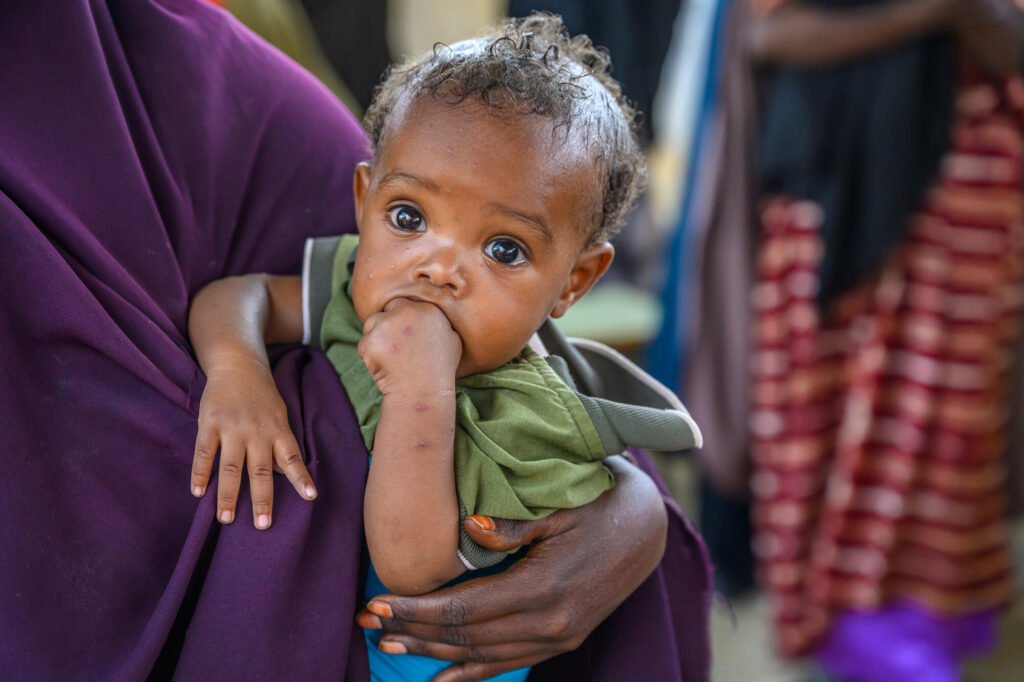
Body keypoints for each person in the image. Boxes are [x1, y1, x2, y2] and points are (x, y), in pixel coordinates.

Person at [1, 1, 712, 680]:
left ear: (573, 284)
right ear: (364, 200)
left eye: (502, 249)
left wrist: (421, 395)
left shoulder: (527, 419)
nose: (438, 266)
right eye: (408, 216)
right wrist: (238, 371)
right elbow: (240, 297)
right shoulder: (352, 280)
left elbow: (410, 567)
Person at [746, 0, 1024, 679]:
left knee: (947, 426)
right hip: (826, 185)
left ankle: (923, 613)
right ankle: (839, 618)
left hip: (968, 200)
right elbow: (767, 35)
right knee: (818, 410)